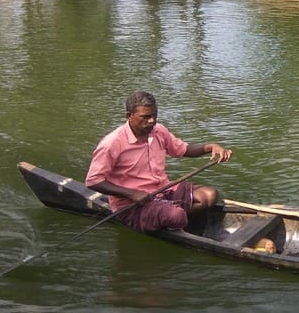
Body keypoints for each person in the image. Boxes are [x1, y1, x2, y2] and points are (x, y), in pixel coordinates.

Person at [86, 91, 233, 232]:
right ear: (129, 116)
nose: (152, 121)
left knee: (209, 195)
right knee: (176, 215)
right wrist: (131, 194)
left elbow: (184, 149)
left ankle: (169, 214)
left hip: (163, 189)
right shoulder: (112, 143)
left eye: (154, 115)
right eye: (145, 117)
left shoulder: (159, 131)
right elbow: (93, 181)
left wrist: (211, 147)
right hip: (133, 204)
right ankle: (170, 216)